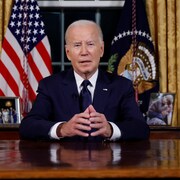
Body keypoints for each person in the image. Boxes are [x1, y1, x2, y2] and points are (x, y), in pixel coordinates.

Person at [19, 19, 150, 142]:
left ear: (101, 49)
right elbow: (28, 126)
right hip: (64, 163)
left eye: (90, 44)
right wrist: (62, 129)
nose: (84, 52)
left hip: (108, 163)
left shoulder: (121, 86)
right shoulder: (50, 86)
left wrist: (110, 129)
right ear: (68, 52)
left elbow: (141, 128)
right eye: (77, 45)